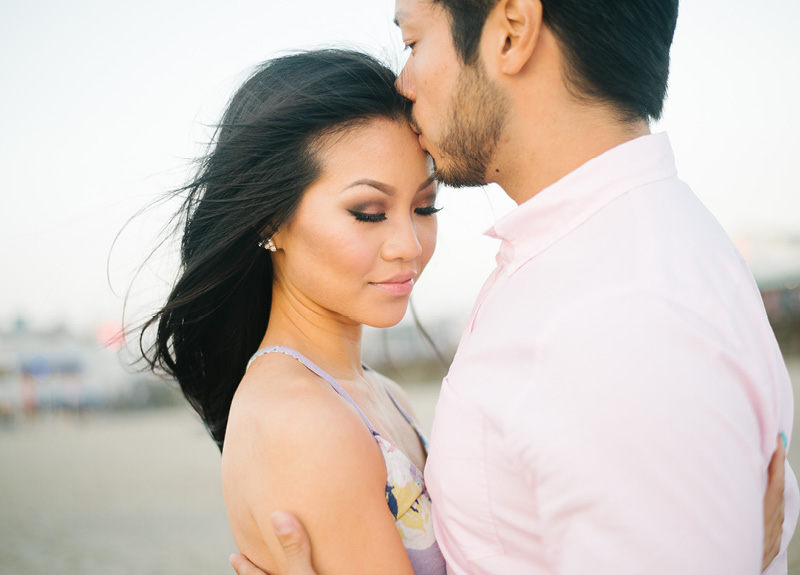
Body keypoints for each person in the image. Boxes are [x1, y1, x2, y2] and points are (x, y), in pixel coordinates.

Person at [230, 0, 798, 573]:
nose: (402, 83)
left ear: (512, 31)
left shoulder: (621, 316)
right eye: (370, 211)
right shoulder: (617, 260)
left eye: (413, 43)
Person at [141, 50, 446, 574]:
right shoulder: (303, 419)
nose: (409, 245)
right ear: (270, 221)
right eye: (368, 213)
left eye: (424, 206)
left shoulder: (380, 392)